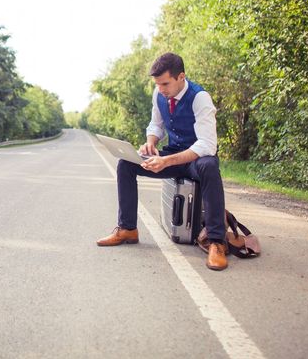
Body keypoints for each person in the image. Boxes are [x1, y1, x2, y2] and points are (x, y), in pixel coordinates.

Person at [96, 52, 228, 271]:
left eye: (165, 83)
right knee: (126, 164)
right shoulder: (159, 93)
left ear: (181, 77)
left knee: (210, 165)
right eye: (158, 84)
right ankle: (128, 228)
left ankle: (216, 241)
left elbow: (207, 145)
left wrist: (166, 161)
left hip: (195, 159)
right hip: (172, 154)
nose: (162, 89)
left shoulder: (200, 98)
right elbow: (156, 125)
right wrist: (150, 143)